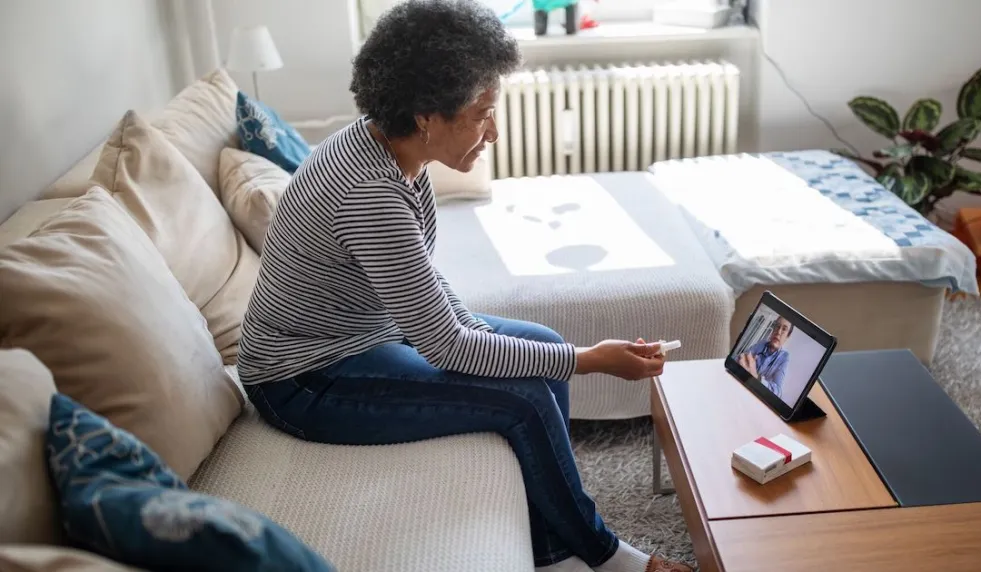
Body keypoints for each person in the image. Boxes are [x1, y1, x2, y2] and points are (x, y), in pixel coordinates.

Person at [236, 1, 691, 571]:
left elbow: (424, 286)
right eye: (482, 113)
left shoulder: (390, 149)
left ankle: (551, 552)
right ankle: (607, 557)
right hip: (302, 380)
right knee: (523, 397)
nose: (493, 132)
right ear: (427, 114)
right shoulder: (370, 193)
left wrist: (530, 346)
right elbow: (446, 345)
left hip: (364, 339)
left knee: (538, 340)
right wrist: (591, 360)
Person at [738, 316, 793, 398]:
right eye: (777, 326)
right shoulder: (762, 343)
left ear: (787, 336)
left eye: (784, 329)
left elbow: (778, 391)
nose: (778, 332)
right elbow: (743, 357)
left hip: (758, 395)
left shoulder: (784, 358)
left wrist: (757, 377)